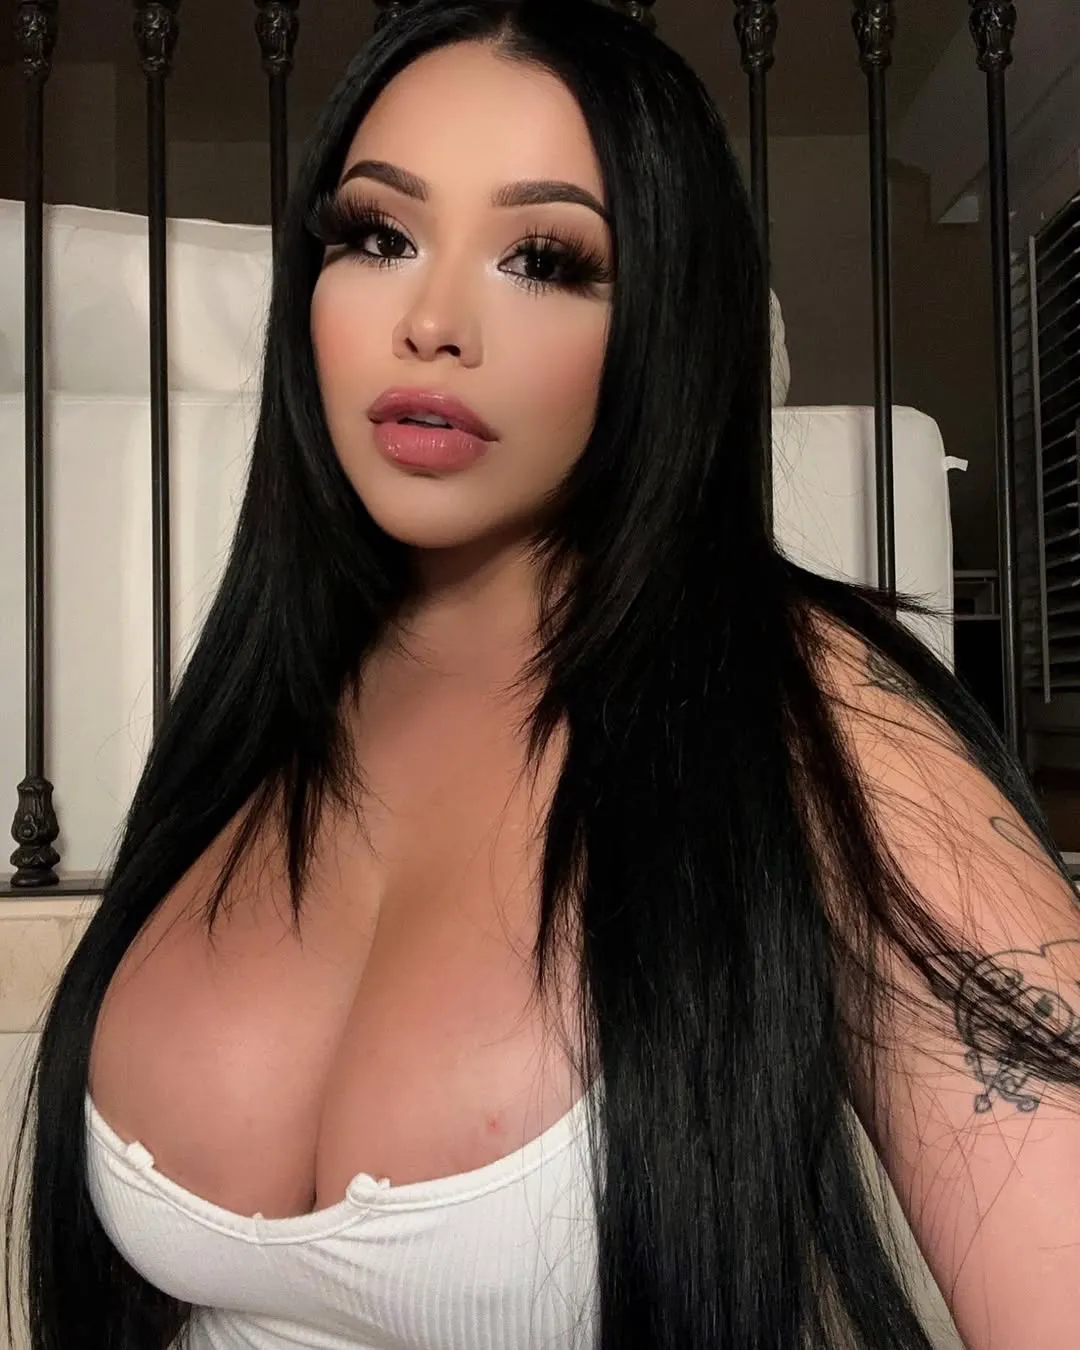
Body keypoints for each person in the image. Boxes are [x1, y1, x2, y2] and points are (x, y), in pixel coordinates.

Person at [5, 1, 1080, 1347]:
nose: (432, 321)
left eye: (544, 258)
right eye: (378, 236)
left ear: (665, 325)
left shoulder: (815, 718)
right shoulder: (265, 704)